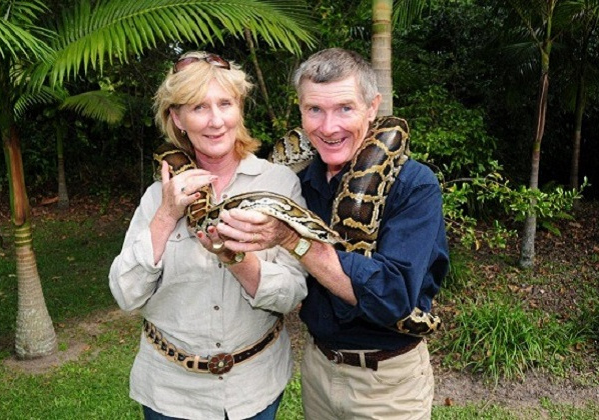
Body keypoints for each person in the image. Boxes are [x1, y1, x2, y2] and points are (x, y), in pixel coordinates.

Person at [214, 48, 450, 419]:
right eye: (314, 110)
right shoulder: (298, 183)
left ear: (373, 108)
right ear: (300, 112)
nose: (328, 127)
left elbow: (394, 296)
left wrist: (293, 238)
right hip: (318, 368)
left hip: (386, 384)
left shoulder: (414, 186)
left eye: (344, 108)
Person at [109, 51, 307, 420]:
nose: (216, 121)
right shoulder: (158, 195)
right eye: (198, 107)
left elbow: (293, 294)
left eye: (225, 104)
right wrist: (167, 215)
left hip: (255, 387)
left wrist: (235, 258)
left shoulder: (279, 184)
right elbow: (126, 293)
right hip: (171, 392)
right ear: (177, 118)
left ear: (240, 109)